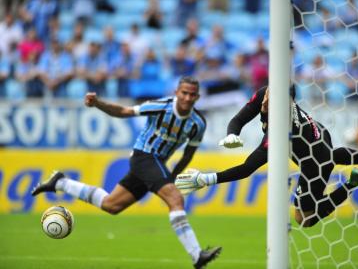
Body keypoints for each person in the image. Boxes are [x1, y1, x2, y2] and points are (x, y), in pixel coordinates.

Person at [31, 77, 222, 268]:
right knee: (176, 199)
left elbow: (188, 154)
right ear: (176, 92)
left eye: (192, 94)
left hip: (157, 164)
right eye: (184, 93)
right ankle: (197, 254)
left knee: (111, 205)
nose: (188, 98)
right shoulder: (161, 106)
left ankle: (61, 182)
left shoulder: (198, 123)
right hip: (143, 156)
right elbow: (124, 111)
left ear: (198, 97)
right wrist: (97, 103)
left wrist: (173, 176)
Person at [175, 85, 358, 228]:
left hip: (314, 163)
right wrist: (232, 134)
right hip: (319, 136)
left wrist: (207, 179)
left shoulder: (280, 131)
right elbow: (239, 118)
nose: (268, 99)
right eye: (269, 93)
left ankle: (352, 183)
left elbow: (248, 168)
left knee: (304, 218)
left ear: (287, 103)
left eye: (276, 99)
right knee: (331, 155)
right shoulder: (264, 94)